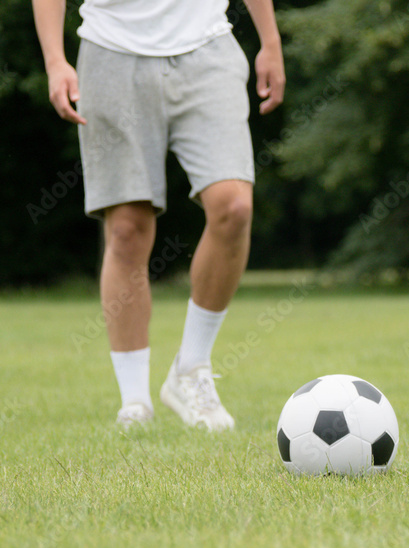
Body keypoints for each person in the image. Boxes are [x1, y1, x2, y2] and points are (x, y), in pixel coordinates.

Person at [31, 0, 285, 430]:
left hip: (208, 49)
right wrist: (55, 61)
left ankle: (191, 368)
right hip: (111, 54)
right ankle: (135, 403)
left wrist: (271, 42)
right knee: (128, 228)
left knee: (235, 206)